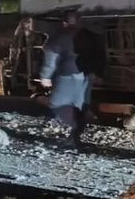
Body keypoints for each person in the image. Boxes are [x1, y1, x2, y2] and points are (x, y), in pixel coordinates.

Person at [40, 10, 98, 149]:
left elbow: (51, 59)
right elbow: (99, 55)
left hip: (67, 76)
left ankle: (68, 136)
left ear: (64, 22)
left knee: (58, 105)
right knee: (80, 107)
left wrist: (45, 76)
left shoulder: (59, 37)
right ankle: (75, 137)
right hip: (85, 77)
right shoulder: (90, 36)